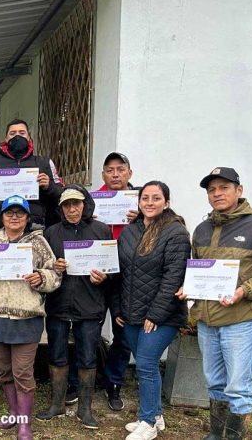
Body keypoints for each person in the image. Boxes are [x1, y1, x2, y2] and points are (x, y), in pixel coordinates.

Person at [177, 167, 252, 440]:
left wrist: (247, 289)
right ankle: (217, 435)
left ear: (239, 191)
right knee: (215, 384)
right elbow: (198, 270)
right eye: (211, 190)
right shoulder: (202, 229)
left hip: (241, 323)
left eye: (224, 188)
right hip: (208, 323)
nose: (217, 193)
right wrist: (189, 288)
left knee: (239, 389)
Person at [0, 195, 61, 440]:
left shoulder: (37, 244)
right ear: (2, 216)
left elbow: (54, 273)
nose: (14, 217)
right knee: (5, 371)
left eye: (20, 213)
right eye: (10, 213)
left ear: (27, 218)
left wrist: (41, 277)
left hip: (26, 318)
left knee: (22, 372)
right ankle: (13, 413)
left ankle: (25, 424)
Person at [112, 181, 190, 440]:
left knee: (145, 364)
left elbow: (173, 277)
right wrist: (119, 308)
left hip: (163, 315)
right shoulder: (130, 232)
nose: (149, 202)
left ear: (166, 202)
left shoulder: (175, 232)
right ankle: (156, 414)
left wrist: (155, 315)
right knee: (147, 364)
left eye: (156, 198)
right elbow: (121, 273)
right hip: (132, 312)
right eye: (145, 198)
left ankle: (147, 422)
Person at [38, 185, 114, 430]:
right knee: (57, 353)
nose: (72, 209)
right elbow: (42, 267)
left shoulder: (101, 230)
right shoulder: (51, 233)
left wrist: (104, 277)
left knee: (87, 356)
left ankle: (85, 408)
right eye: (67, 205)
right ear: (61, 208)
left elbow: (113, 269)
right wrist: (53, 267)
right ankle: (57, 403)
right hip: (59, 303)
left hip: (90, 303)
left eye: (77, 204)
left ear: (85, 204)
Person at [97, 151, 139, 411]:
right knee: (89, 331)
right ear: (103, 175)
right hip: (98, 278)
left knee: (123, 334)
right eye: (110, 170)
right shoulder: (93, 202)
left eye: (120, 169)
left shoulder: (141, 203)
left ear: (129, 173)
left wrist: (143, 219)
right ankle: (82, 380)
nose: (115, 174)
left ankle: (113, 383)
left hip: (128, 279)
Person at [0, 119, 63, 229]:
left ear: (29, 137)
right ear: (6, 138)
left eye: (22, 132)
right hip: (1, 227)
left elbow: (62, 195)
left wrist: (49, 186)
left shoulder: (44, 162)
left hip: (37, 227)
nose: (17, 136)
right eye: (12, 133)